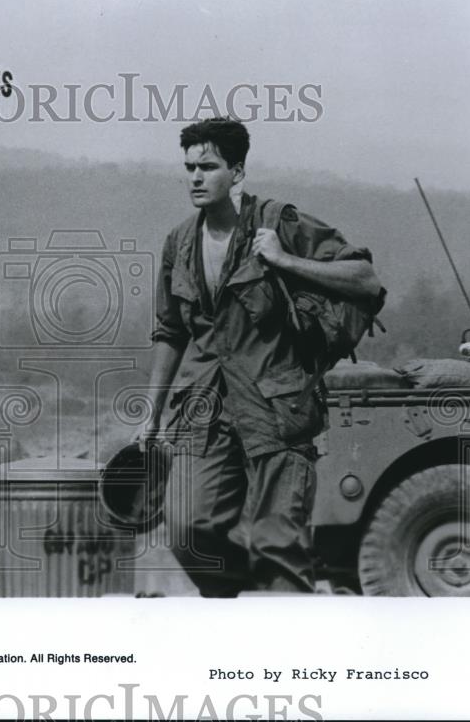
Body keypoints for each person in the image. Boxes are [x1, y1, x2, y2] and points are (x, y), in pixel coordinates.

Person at [136, 116, 383, 596]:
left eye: (207, 166)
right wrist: (151, 411)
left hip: (276, 405)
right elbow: (170, 332)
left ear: (237, 172)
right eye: (189, 167)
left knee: (277, 543)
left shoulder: (278, 223)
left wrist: (285, 261)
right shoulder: (179, 243)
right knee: (188, 529)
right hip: (203, 408)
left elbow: (365, 279)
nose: (195, 177)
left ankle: (279, 626)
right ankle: (242, 606)